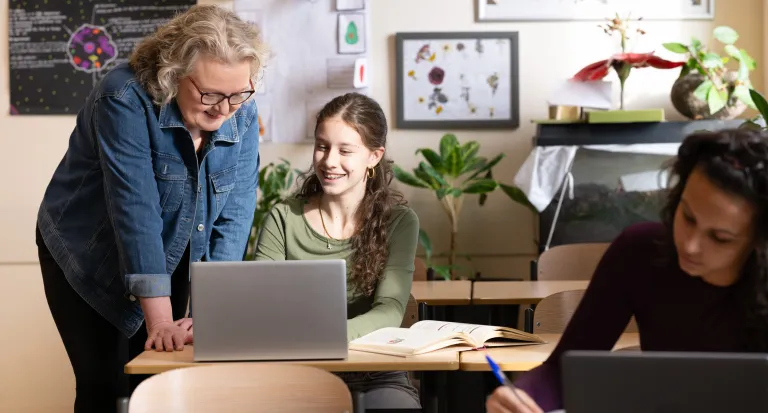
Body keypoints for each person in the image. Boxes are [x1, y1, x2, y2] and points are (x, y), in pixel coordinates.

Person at [35, 5, 268, 413]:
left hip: (175, 245)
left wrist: (211, 310)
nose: (223, 109)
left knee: (164, 383)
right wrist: (159, 321)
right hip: (93, 254)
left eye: (237, 94)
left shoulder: (241, 110)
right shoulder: (122, 97)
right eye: (210, 94)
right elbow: (135, 209)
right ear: (173, 74)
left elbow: (236, 214)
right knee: (108, 387)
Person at [486, 128, 768, 413]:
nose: (690, 245)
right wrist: (520, 398)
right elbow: (562, 371)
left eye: (720, 238)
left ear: (758, 241)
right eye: (688, 217)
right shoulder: (639, 253)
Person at [252, 92, 422, 409]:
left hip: (376, 371)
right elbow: (259, 302)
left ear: (374, 156)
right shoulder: (283, 217)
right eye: (322, 146)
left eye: (345, 150)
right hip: (300, 370)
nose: (329, 161)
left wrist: (325, 337)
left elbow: (390, 309)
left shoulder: (399, 222)